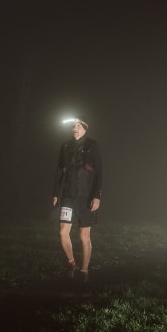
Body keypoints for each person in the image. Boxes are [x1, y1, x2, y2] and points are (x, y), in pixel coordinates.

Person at [52, 116, 103, 283]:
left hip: (86, 197)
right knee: (62, 232)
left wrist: (97, 196)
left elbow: (99, 172)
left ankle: (84, 270)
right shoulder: (65, 146)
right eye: (72, 126)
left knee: (84, 235)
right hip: (68, 196)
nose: (74, 128)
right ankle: (71, 263)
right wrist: (55, 193)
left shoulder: (92, 145)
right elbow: (59, 170)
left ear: (85, 128)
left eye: (77, 126)